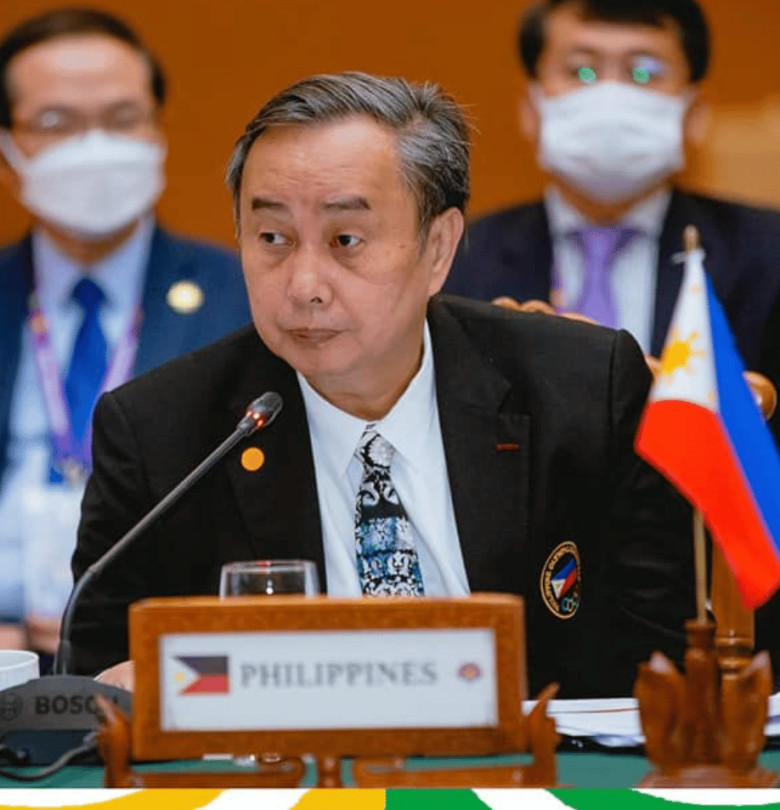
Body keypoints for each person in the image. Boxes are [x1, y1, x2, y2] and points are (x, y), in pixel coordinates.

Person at [71, 71, 696, 699]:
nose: (304, 285)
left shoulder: (582, 391)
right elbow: (91, 678)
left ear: (438, 248)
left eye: (346, 240)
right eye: (272, 239)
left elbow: (665, 661)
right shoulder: (162, 433)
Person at [0, 8, 250, 660]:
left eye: (122, 118)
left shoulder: (244, 295)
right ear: (8, 149)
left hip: (168, 652)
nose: (95, 146)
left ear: (157, 132)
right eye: (56, 123)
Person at [443, 0, 780, 409]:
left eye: (644, 73)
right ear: (530, 109)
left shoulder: (769, 254)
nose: (610, 95)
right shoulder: (456, 259)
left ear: (694, 112)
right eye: (581, 71)